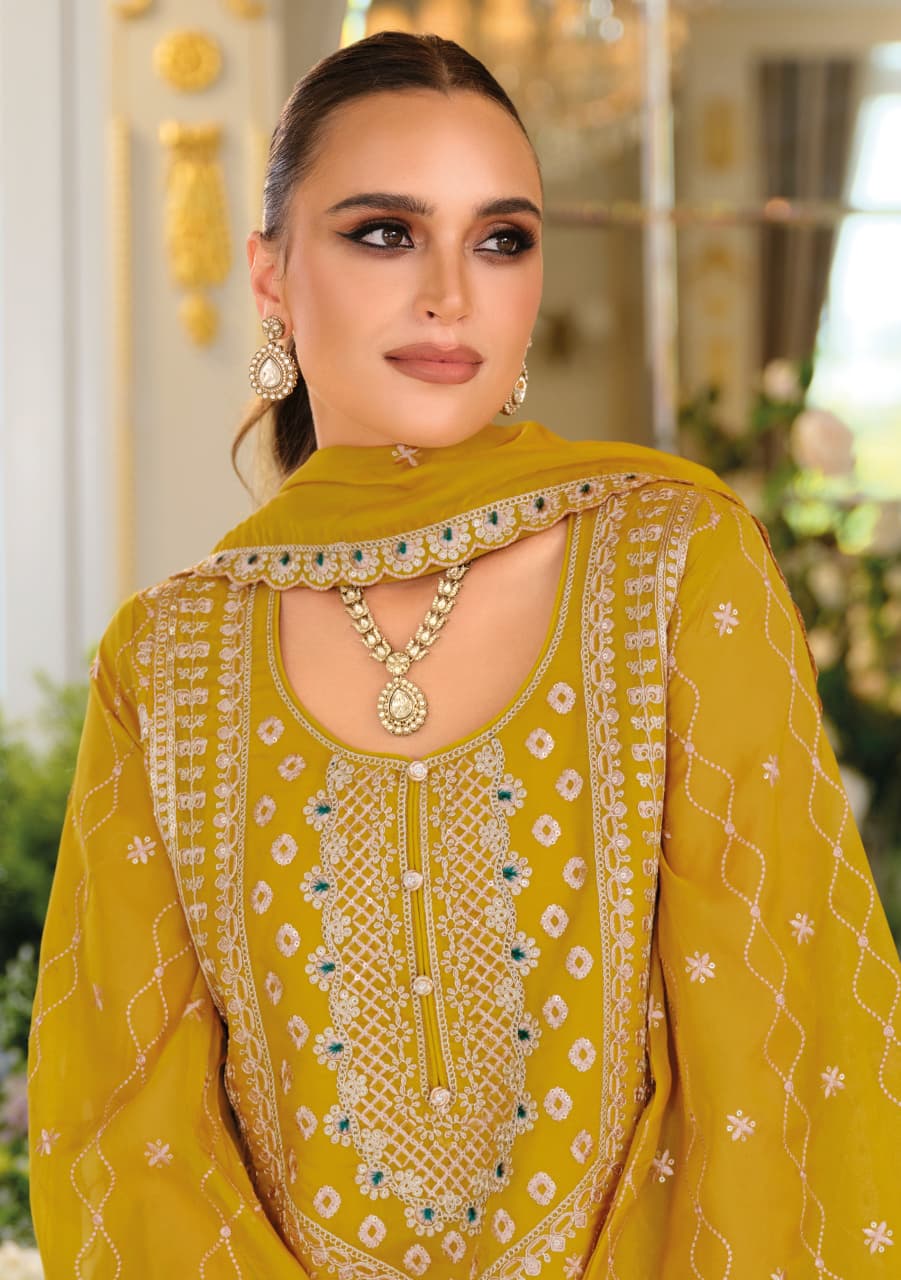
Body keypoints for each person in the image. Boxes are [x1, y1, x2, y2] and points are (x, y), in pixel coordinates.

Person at [27, 29, 901, 1280]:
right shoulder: (167, 659)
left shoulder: (673, 566)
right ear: (271, 275)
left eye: (501, 238)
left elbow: (780, 1059)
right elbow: (126, 1129)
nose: (451, 292)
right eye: (383, 231)